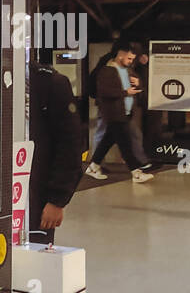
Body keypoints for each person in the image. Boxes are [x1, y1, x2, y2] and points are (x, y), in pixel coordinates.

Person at [28, 53, 83, 244]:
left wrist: (57, 199)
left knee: (34, 258)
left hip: (36, 197)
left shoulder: (49, 83)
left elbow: (71, 144)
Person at [86, 39, 154, 183]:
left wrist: (138, 83)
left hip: (124, 112)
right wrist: (126, 92)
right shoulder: (107, 70)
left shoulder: (126, 70)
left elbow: (134, 86)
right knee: (125, 144)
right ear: (121, 55)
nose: (131, 61)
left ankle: (93, 166)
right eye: (129, 58)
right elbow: (105, 91)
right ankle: (136, 172)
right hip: (114, 112)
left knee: (107, 140)